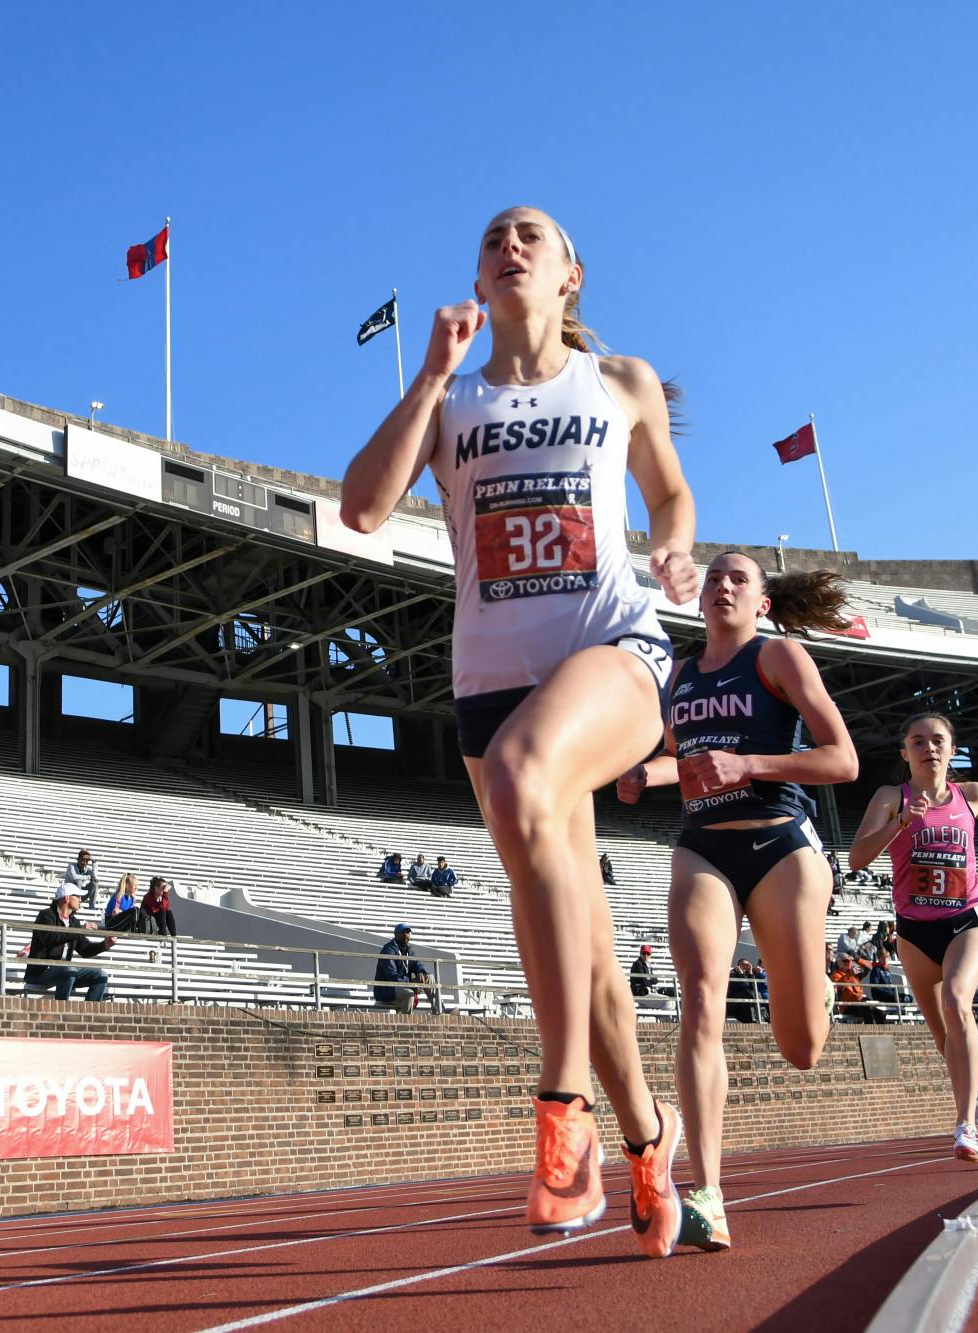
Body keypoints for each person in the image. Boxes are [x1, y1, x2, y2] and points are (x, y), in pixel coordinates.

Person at [340, 205, 698, 1254]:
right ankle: (645, 1134)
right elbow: (362, 508)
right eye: (492, 238)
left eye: (528, 235)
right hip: (491, 684)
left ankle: (559, 1112)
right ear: (478, 279)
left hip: (610, 650)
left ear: (568, 275)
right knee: (582, 951)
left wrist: (674, 553)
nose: (507, 245)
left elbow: (668, 494)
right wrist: (424, 376)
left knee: (522, 774)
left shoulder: (617, 382)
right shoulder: (450, 403)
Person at [615, 549, 859, 1250]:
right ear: (699, 599)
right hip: (704, 845)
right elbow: (677, 757)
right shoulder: (682, 676)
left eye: (738, 578)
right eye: (714, 577)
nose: (722, 585)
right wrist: (643, 774)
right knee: (699, 999)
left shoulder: (777, 658)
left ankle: (819, 993)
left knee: (802, 1047)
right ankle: (710, 1193)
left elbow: (841, 759)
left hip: (781, 842)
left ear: (763, 602)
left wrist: (750, 762)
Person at [849, 712, 978, 1164]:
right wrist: (898, 823)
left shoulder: (971, 795)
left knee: (957, 1001)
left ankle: (965, 1127)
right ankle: (972, 1087)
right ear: (905, 753)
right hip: (913, 932)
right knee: (942, 1035)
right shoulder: (890, 796)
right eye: (918, 741)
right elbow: (856, 858)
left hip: (968, 921)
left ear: (952, 750)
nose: (928, 748)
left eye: (938, 741)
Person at [19, 889, 112, 1001]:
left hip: (65, 972)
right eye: (77, 896)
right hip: (41, 972)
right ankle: (62, 1010)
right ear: (67, 898)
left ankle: (89, 1013)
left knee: (101, 975)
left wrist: (104, 945)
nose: (80, 900)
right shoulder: (46, 915)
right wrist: (79, 930)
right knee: (68, 969)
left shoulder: (74, 922)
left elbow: (84, 950)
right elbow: (51, 938)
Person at [374, 923, 439, 1014]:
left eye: (408, 932)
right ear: (396, 935)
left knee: (429, 977)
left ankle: (437, 1009)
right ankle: (407, 1024)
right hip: (387, 990)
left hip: (403, 986)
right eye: (403, 933)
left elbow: (417, 964)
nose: (406, 935)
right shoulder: (388, 950)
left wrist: (420, 971)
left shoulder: (409, 950)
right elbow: (393, 976)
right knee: (409, 993)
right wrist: (411, 984)